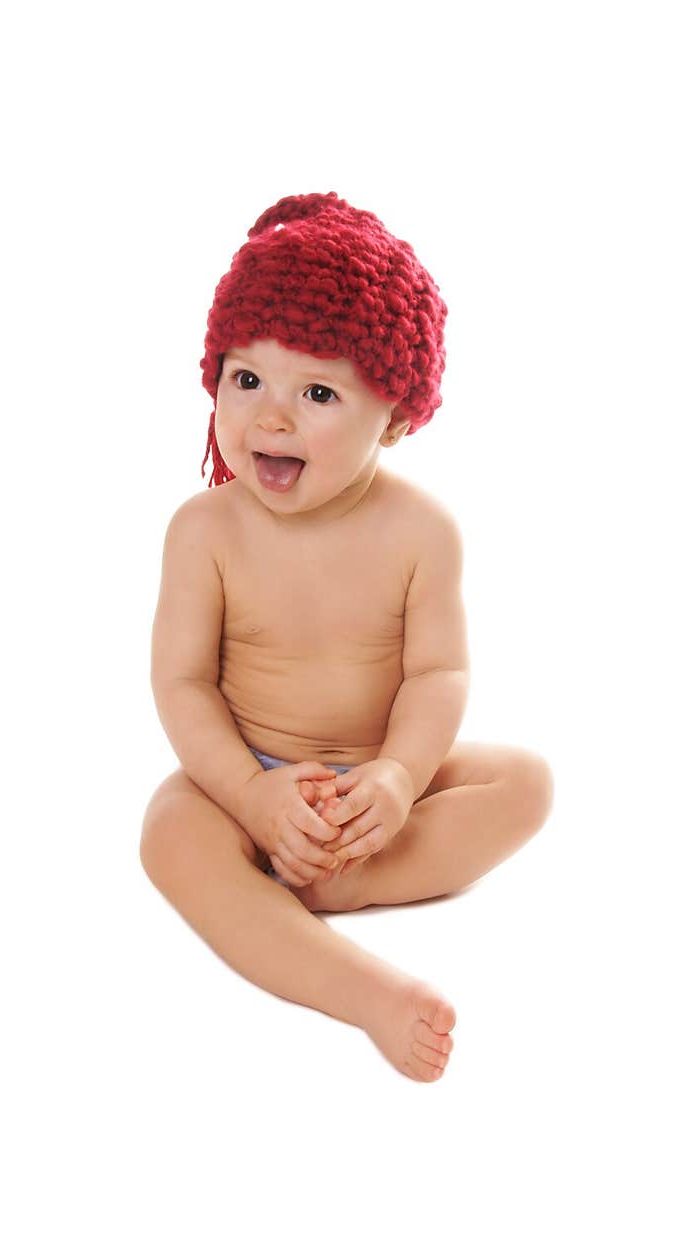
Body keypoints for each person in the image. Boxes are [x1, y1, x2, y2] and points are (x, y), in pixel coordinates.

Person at [139, 191, 554, 1082]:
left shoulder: (422, 533)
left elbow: (436, 673)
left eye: (317, 391)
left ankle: (343, 875)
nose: (270, 417)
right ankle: (366, 992)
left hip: (374, 771)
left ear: (396, 417)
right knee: (170, 832)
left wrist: (398, 779)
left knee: (525, 783)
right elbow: (183, 686)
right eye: (245, 379)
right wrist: (253, 800)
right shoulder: (204, 531)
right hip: (245, 770)